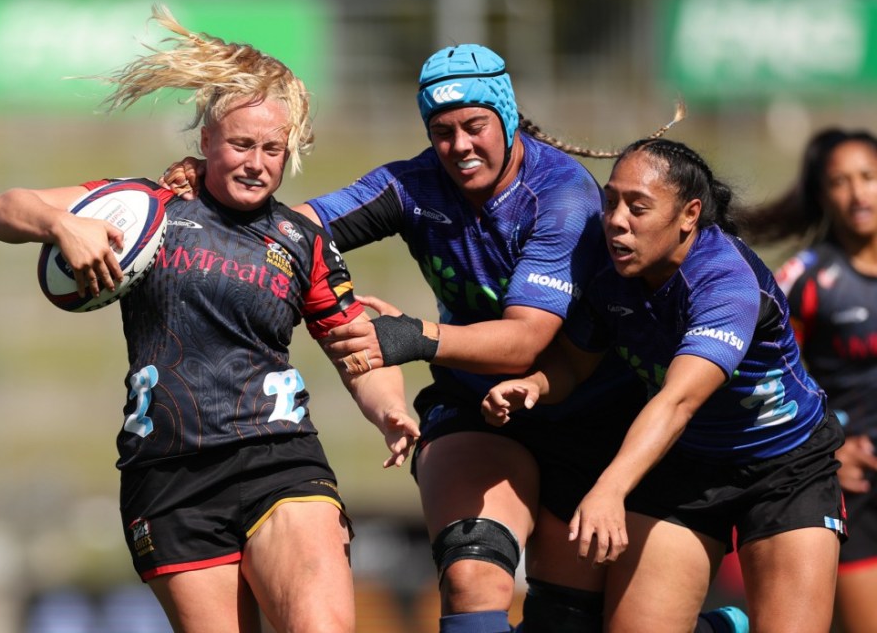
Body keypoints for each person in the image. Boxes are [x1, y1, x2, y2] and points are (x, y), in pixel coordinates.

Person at [162, 45, 745, 632]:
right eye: (442, 131)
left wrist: (413, 335)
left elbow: (526, 343)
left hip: (588, 412)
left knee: (567, 623)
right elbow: (286, 232)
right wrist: (208, 190)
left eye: (475, 126)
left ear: (508, 118)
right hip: (477, 409)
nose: (460, 146)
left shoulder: (562, 195)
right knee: (473, 579)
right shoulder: (412, 186)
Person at [0, 5, 419, 633]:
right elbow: (1, 208)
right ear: (206, 140)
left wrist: (390, 410)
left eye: (273, 149)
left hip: (280, 457)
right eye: (242, 144)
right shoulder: (145, 209)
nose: (257, 162)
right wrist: (60, 225)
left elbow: (354, 346)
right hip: (169, 472)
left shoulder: (303, 241)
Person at [481, 137, 846, 633]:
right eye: (610, 201)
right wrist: (537, 385)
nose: (615, 220)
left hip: (785, 468)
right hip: (684, 464)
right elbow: (573, 364)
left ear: (689, 214)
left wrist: (610, 488)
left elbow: (677, 401)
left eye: (638, 207)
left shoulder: (726, 282)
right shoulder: (610, 277)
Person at [746, 128, 877, 633]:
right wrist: (831, 446)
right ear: (823, 195)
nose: (858, 193)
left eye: (868, 177)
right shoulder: (805, 279)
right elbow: (768, 372)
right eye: (841, 182)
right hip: (856, 487)